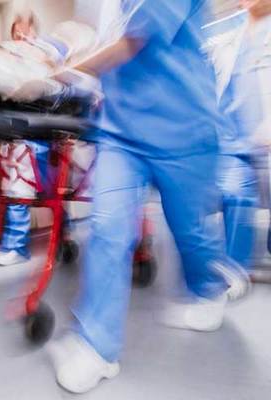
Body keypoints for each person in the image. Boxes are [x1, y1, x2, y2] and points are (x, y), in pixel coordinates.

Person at [37, 0, 236, 393]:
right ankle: (97, 347)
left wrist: (56, 75)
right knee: (108, 227)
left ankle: (208, 289)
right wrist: (47, 49)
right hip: (121, 132)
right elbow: (85, 29)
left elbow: (132, 40)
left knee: (189, 230)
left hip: (184, 129)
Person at [0, 11, 65, 266]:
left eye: (26, 31)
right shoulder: (7, 58)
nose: (21, 35)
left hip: (41, 134)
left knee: (52, 195)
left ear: (36, 32)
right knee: (17, 190)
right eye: (17, 31)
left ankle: (62, 238)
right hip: (17, 135)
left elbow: (58, 63)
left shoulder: (47, 54)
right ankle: (15, 246)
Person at [212, 0, 271, 299]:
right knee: (234, 194)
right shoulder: (230, 36)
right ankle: (233, 270)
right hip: (233, 135)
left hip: (262, 131)